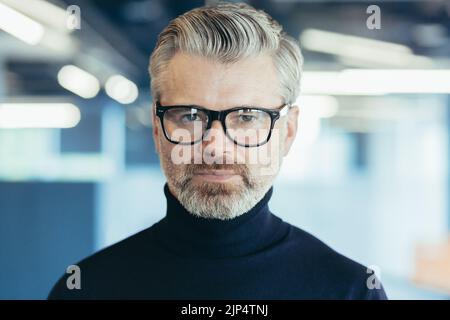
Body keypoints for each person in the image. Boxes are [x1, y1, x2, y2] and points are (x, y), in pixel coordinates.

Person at [48, 2, 387, 299]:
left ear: (289, 131)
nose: (214, 145)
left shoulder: (350, 292)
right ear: (156, 127)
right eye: (190, 116)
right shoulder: (87, 290)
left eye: (246, 116)